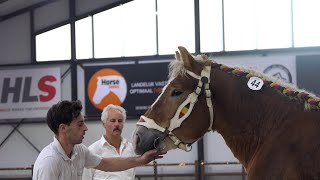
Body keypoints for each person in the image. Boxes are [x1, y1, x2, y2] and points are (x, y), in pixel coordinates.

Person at [32, 100, 165, 180]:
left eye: (120, 121)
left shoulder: (79, 151)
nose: (85, 128)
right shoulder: (49, 162)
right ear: (63, 128)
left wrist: (141, 160)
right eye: (80, 124)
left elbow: (107, 164)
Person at [82, 104, 136, 180]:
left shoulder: (130, 148)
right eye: (113, 120)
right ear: (103, 124)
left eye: (120, 121)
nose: (117, 124)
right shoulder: (92, 150)